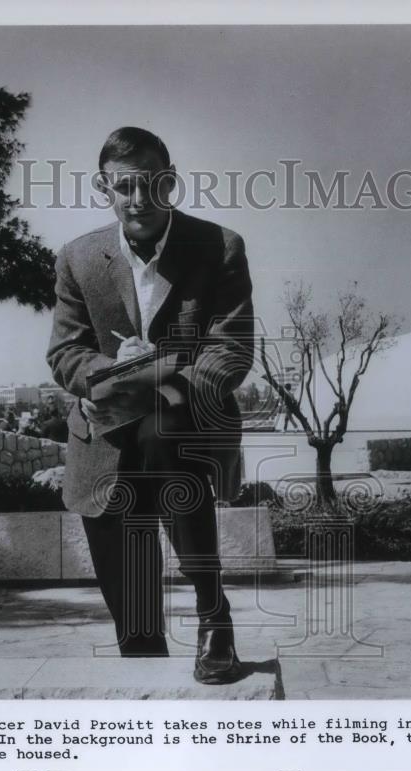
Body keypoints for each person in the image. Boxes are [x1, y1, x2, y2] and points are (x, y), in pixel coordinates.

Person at [46, 127, 254, 684]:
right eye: (126, 186)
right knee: (135, 625)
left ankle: (214, 618)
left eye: (155, 184)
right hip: (106, 434)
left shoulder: (219, 247)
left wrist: (154, 374)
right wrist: (112, 374)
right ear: (104, 189)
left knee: (163, 435)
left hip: (183, 422)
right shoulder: (78, 258)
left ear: (173, 183)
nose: (141, 200)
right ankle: (145, 673)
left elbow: (230, 354)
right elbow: (66, 353)